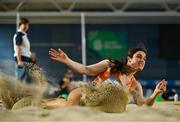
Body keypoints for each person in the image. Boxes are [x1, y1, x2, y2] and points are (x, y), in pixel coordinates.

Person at [43, 44, 167, 112]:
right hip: (84, 96)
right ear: (129, 59)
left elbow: (143, 106)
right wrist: (67, 60)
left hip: (101, 110)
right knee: (65, 108)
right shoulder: (110, 65)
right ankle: (43, 103)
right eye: (139, 56)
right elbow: (86, 70)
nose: (142, 60)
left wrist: (155, 93)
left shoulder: (135, 85)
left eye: (144, 59)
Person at [13, 17, 36, 83]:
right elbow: (17, 47)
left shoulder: (24, 35)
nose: (26, 26)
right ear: (20, 25)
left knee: (25, 76)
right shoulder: (19, 35)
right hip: (21, 58)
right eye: (24, 24)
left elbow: (24, 48)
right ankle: (16, 90)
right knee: (20, 77)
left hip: (26, 58)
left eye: (27, 25)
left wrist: (30, 54)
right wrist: (19, 60)